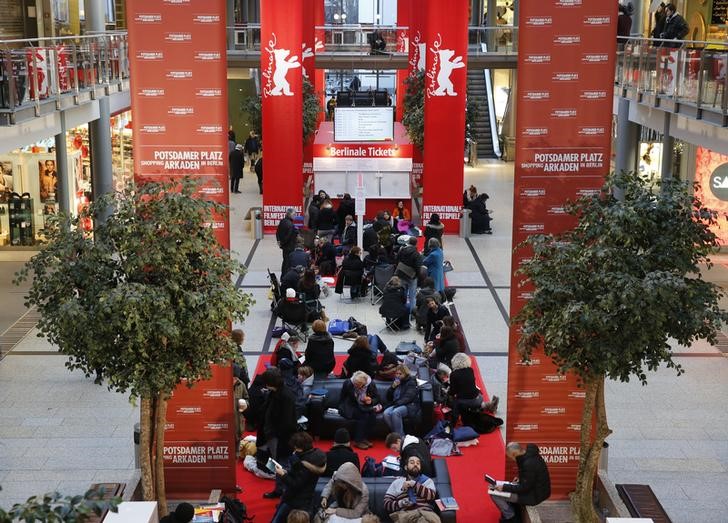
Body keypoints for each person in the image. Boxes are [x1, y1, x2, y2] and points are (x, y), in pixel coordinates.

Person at [258, 368, 299, 500]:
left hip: (281, 438)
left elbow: (287, 422)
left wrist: (274, 434)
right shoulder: (275, 393)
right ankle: (279, 490)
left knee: (282, 465)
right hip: (274, 436)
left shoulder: (285, 396)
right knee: (277, 463)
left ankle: (285, 493)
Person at [271, 431, 327, 523]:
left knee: (277, 519)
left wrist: (283, 475)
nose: (294, 449)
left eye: (295, 447)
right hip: (306, 498)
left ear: (300, 448)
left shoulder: (302, 463)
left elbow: (296, 484)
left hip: (295, 500)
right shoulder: (314, 458)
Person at [489, 442, 552, 523]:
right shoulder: (528, 455)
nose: (511, 459)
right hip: (537, 490)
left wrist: (504, 487)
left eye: (510, 457)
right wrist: (519, 478)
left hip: (534, 496)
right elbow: (530, 477)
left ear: (514, 454)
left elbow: (524, 488)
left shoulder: (528, 464)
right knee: (503, 488)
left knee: (494, 494)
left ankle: (510, 516)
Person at [383, 455, 439, 523]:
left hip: (425, 514)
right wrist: (402, 503)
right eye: (412, 463)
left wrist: (414, 484)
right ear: (406, 467)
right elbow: (387, 504)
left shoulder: (427, 481)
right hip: (406, 515)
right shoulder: (397, 482)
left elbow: (431, 496)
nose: (415, 464)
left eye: (418, 463)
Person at [449, 353, 498, 425]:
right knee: (474, 401)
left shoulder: (453, 374)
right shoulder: (470, 370)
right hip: (478, 398)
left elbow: (453, 392)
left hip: (465, 402)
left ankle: (454, 421)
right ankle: (487, 405)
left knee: (455, 402)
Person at [338, 370, 382, 449]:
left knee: (372, 416)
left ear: (364, 383)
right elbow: (342, 397)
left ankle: (364, 438)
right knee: (363, 415)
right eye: (355, 384)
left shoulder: (371, 384)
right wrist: (341, 407)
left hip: (365, 406)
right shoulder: (348, 383)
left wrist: (371, 400)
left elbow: (377, 398)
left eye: (359, 384)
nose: (356, 386)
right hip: (350, 406)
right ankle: (357, 441)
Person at [383, 364, 421, 437]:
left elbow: (409, 397)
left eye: (400, 374)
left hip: (409, 405)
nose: (398, 375)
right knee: (386, 413)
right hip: (397, 404)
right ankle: (397, 435)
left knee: (396, 412)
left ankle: (401, 437)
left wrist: (397, 404)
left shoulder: (411, 382)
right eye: (396, 374)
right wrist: (392, 388)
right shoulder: (396, 382)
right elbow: (388, 398)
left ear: (405, 373)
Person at [395, 236, 423, 314]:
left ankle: (402, 312)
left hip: (401, 274)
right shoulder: (417, 254)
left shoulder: (402, 250)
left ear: (408, 242)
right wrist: (417, 276)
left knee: (402, 294)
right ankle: (411, 313)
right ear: (416, 243)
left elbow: (397, 260)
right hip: (411, 276)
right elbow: (418, 267)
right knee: (412, 296)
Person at [277, 208, 299, 274]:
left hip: (284, 246)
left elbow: (277, 232)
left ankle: (283, 275)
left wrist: (279, 241)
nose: (295, 216)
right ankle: (285, 276)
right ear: (290, 215)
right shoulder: (290, 225)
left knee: (285, 261)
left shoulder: (282, 221)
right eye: (294, 214)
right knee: (288, 263)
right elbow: (288, 237)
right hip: (289, 247)